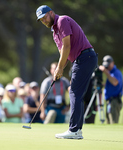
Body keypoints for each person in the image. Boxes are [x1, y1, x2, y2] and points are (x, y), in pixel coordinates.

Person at [36, 5, 98, 139]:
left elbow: (67, 46)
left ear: (51, 13)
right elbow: (63, 54)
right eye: (41, 20)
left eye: (44, 17)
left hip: (85, 57)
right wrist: (59, 70)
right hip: (80, 60)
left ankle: (74, 130)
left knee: (75, 92)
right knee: (76, 92)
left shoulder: (62, 20)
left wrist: (59, 67)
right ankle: (76, 130)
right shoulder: (54, 33)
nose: (44, 21)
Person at [99, 55, 122, 124]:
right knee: (108, 122)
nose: (107, 67)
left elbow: (115, 82)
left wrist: (106, 72)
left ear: (113, 63)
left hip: (114, 101)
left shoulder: (116, 72)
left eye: (108, 65)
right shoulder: (110, 72)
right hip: (110, 101)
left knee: (113, 123)